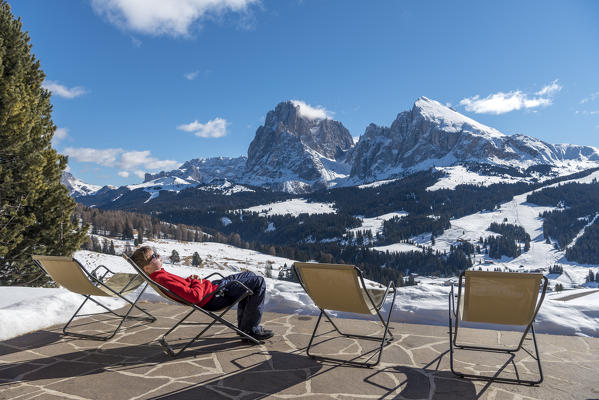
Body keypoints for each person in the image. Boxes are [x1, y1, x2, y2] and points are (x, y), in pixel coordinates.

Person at [131, 246, 273, 341]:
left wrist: (192, 280)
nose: (158, 255)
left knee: (250, 275)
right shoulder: (162, 279)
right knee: (258, 282)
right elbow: (194, 297)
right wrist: (197, 282)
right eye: (154, 256)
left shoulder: (159, 274)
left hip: (213, 289)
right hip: (215, 297)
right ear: (147, 267)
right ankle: (250, 330)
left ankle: (245, 328)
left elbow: (184, 287)